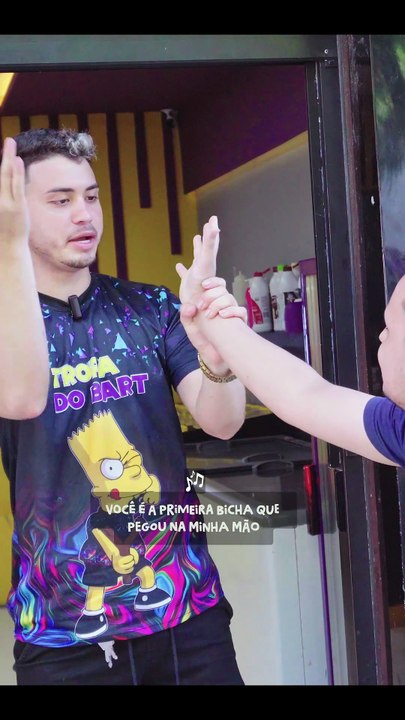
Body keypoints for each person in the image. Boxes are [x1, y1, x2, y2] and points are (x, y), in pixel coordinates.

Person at [0, 128, 248, 686]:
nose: (83, 214)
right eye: (60, 200)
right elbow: (20, 399)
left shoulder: (150, 306)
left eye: (90, 196)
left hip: (185, 612)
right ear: (17, 214)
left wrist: (219, 355)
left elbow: (223, 421)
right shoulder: (5, 328)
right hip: (61, 632)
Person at [176, 267, 405, 470]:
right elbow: (304, 394)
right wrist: (211, 315)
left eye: (389, 327)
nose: (381, 336)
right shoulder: (399, 428)